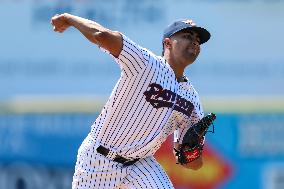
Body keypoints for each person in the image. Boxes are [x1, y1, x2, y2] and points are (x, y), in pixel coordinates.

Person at [51, 13, 211, 189]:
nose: (195, 42)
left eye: (198, 40)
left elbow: (192, 164)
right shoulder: (146, 63)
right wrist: (69, 19)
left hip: (141, 164)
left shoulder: (192, 99)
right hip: (98, 159)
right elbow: (101, 35)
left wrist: (191, 151)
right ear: (167, 43)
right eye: (187, 36)